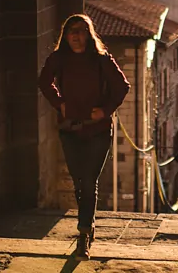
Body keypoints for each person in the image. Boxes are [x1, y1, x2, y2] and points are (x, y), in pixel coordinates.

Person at [38, 14, 130, 260]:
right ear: (65, 36)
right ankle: (88, 225)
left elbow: (122, 86)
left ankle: (83, 235)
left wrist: (105, 110)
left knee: (88, 181)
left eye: (81, 30)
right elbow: (44, 81)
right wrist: (59, 104)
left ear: (89, 34)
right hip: (70, 129)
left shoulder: (101, 59)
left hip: (97, 130)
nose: (76, 35)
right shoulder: (59, 59)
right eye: (71, 31)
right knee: (79, 182)